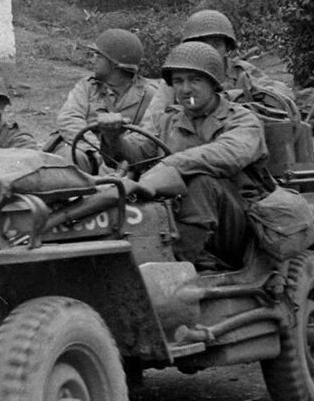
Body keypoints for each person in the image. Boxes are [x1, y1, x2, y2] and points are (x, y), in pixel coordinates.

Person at [98, 42, 269, 270]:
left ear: (213, 83)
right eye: (178, 81)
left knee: (201, 183)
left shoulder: (242, 119)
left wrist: (172, 165)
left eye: (194, 80)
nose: (185, 89)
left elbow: (229, 155)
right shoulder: (168, 120)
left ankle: (177, 267)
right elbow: (137, 153)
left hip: (237, 226)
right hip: (173, 217)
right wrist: (113, 138)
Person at [45, 28, 166, 167]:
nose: (93, 60)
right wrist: (97, 151)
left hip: (127, 161)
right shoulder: (87, 87)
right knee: (69, 159)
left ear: (115, 64)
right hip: (87, 152)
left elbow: (146, 138)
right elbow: (69, 119)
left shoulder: (151, 94)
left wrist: (115, 149)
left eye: (99, 56)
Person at [180, 9, 296, 116]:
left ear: (226, 48)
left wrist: (251, 93)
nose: (210, 51)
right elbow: (163, 112)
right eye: (202, 45)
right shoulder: (178, 77)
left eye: (216, 45)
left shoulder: (241, 71)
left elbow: (283, 95)